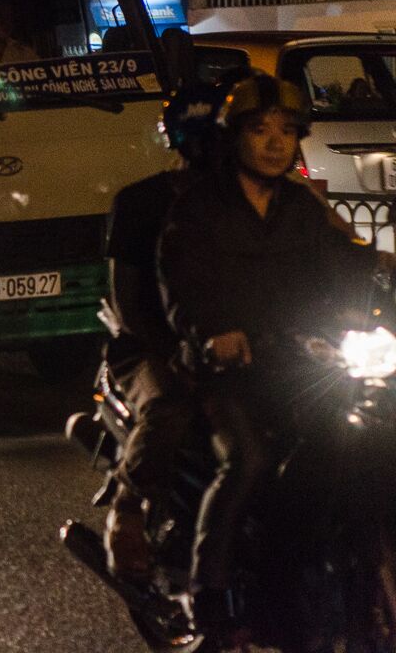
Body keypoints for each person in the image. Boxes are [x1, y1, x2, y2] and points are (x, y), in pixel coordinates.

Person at [158, 72, 385, 632]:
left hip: (300, 362)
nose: (275, 142)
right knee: (248, 460)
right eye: (260, 130)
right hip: (228, 371)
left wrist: (378, 290)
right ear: (235, 136)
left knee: (353, 439)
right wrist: (213, 334)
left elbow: (349, 265)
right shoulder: (199, 209)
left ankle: (304, 562)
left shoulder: (303, 209)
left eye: (287, 131)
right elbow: (182, 284)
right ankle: (206, 591)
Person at [100, 77, 226, 582]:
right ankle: (129, 509)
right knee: (170, 407)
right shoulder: (141, 202)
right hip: (154, 347)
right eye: (202, 142)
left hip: (232, 341)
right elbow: (129, 301)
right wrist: (178, 350)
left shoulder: (265, 199)